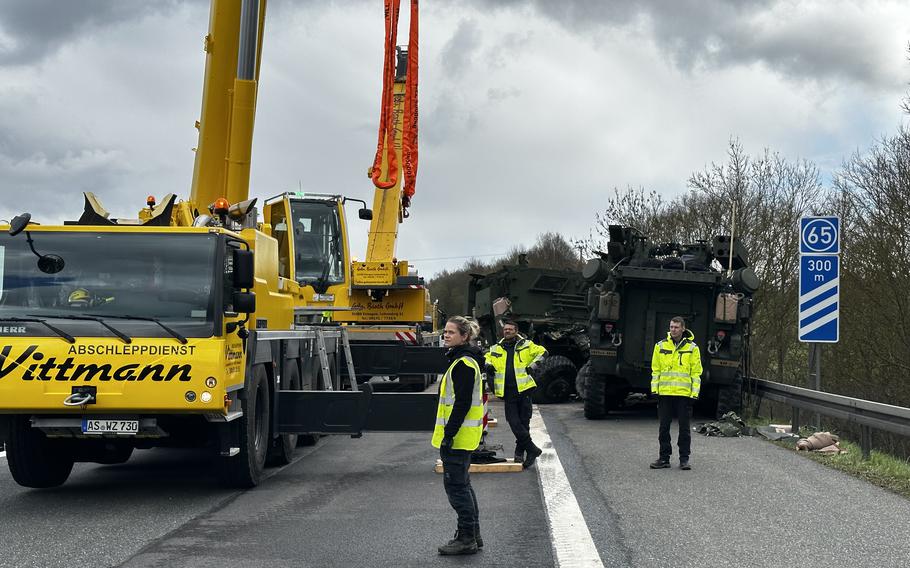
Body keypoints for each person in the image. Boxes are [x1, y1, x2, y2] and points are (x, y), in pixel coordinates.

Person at [433, 315, 485, 556]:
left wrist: (449, 433)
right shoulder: (464, 360)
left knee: (457, 489)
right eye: (445, 331)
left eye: (451, 332)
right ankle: (473, 534)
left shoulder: (463, 363)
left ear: (464, 336)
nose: (446, 335)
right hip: (464, 437)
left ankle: (466, 538)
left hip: (458, 437)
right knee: (463, 486)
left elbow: (462, 404)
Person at [484, 319, 547, 468]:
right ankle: (532, 449)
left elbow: (544, 352)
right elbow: (486, 358)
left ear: (516, 331)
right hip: (508, 391)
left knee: (524, 423)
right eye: (505, 329)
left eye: (510, 329)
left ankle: (520, 454)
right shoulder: (496, 348)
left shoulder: (527, 345)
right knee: (513, 422)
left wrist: (534, 366)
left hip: (524, 390)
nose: (507, 331)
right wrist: (488, 365)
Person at [650, 316, 702, 470]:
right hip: (665, 394)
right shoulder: (660, 346)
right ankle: (664, 458)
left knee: (684, 429)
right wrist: (654, 390)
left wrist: (694, 393)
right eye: (671, 327)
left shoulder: (693, 348)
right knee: (663, 428)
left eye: (676, 327)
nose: (673, 330)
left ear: (683, 329)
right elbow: (656, 370)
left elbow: (696, 373)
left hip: (683, 395)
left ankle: (684, 459)